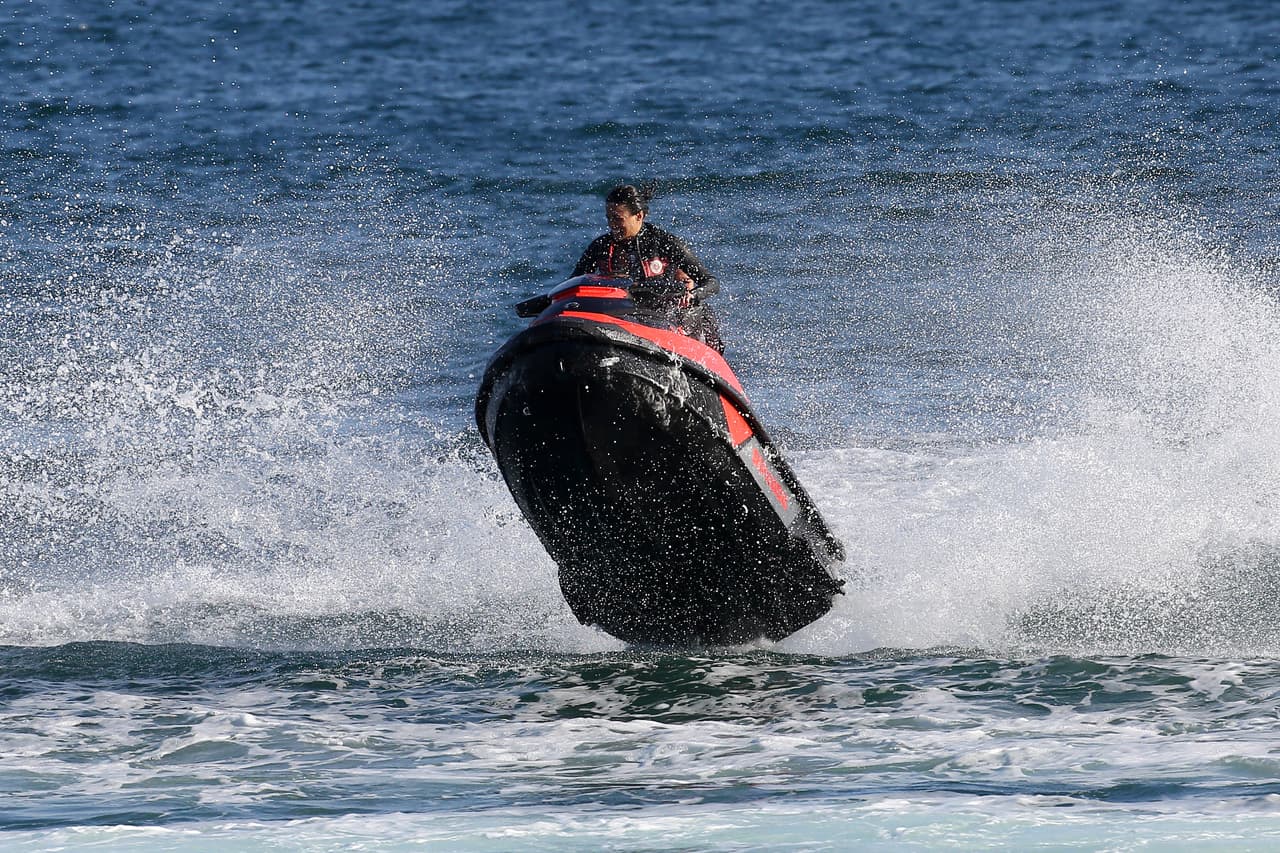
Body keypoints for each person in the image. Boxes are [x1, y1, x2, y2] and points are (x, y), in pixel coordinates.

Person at [573, 184, 724, 352]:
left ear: (639, 216)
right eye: (609, 218)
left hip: (666, 321)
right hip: (620, 321)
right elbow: (574, 284)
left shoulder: (665, 243)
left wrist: (693, 295)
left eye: (618, 219)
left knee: (701, 314)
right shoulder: (600, 247)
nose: (612, 225)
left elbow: (711, 282)